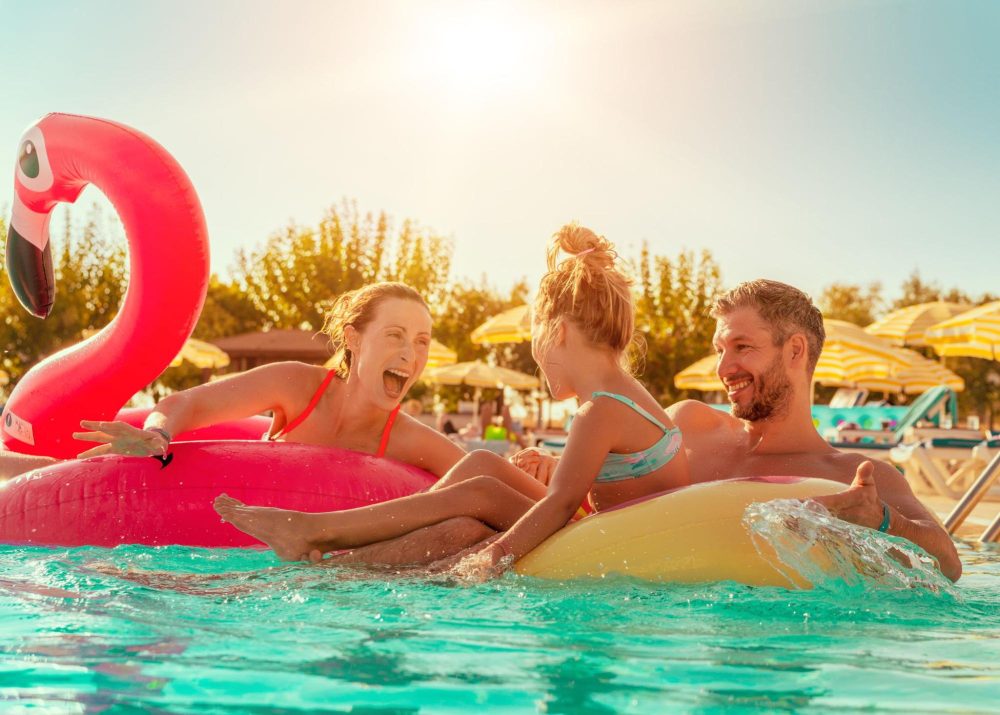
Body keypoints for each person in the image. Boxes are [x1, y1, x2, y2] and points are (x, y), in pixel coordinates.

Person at [213, 223, 691, 572]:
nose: (535, 354)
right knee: (481, 462)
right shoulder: (625, 396)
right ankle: (354, 541)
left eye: (535, 337)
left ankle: (321, 534)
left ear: (559, 332)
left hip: (605, 540)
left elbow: (561, 506)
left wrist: (494, 556)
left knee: (476, 500)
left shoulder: (598, 411)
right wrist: (554, 463)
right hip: (610, 524)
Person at [517, 279, 963, 581]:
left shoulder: (852, 476)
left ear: (795, 351)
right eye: (720, 349)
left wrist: (883, 520)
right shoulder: (688, 424)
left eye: (742, 347)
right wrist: (556, 467)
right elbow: (616, 484)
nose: (724, 367)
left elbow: (949, 564)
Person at [2, 283, 470, 497]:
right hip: (219, 505)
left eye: (421, 341)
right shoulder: (298, 385)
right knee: (85, 476)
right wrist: (158, 434)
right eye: (395, 335)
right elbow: (187, 403)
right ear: (353, 339)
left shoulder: (410, 439)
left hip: (296, 569)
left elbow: (490, 484)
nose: (410, 353)